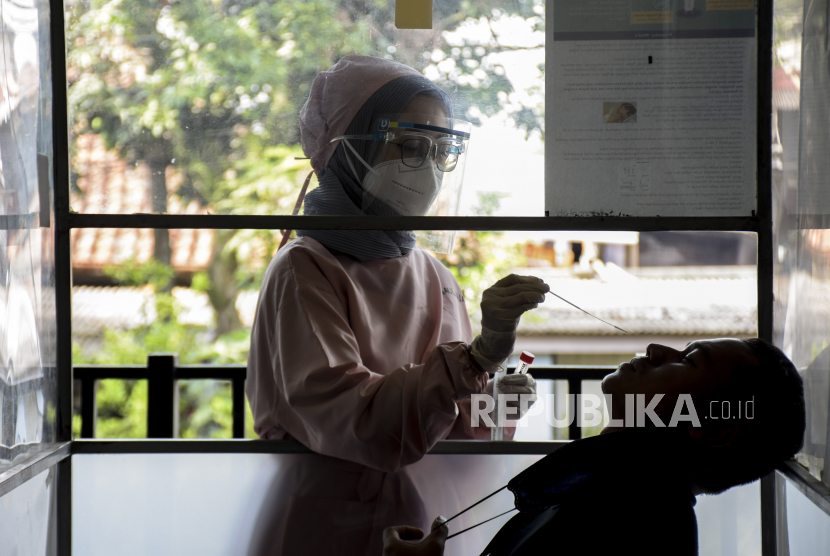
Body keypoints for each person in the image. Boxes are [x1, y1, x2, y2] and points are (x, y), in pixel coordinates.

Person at [245, 55, 547, 555]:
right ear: (347, 150)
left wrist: (500, 400)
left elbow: (455, 428)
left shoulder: (435, 275)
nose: (428, 168)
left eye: (440, 150)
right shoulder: (305, 270)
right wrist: (476, 359)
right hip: (323, 529)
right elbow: (358, 423)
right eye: (409, 146)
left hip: (421, 524)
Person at [381, 338, 805, 556]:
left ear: (713, 430)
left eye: (689, 360)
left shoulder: (640, 525)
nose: (657, 350)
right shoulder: (620, 493)